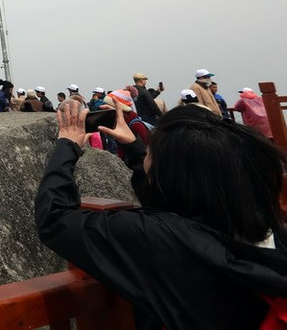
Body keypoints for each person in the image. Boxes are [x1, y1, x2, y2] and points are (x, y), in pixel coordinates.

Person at [36, 101, 287, 329]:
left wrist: (67, 145)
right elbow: (175, 203)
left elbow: (56, 218)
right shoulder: (263, 227)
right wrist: (134, 148)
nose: (147, 155)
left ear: (168, 171)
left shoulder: (154, 236)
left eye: (151, 152)